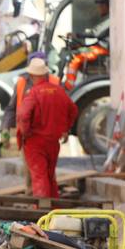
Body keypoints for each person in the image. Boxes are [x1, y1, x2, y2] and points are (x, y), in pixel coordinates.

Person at [16, 58, 78, 198]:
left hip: (35, 141)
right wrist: (65, 129)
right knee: (50, 176)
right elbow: (73, 110)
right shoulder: (59, 91)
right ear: (45, 74)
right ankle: (53, 208)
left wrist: (25, 132)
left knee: (39, 176)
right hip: (53, 142)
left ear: (32, 76)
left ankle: (42, 211)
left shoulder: (33, 93)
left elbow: (23, 115)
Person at [2, 52, 61, 192]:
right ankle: (35, 198)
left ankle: (44, 202)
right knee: (33, 170)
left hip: (49, 135)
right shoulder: (22, 83)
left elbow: (64, 108)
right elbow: (12, 108)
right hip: (28, 136)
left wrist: (64, 128)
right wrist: (5, 129)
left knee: (46, 171)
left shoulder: (55, 82)